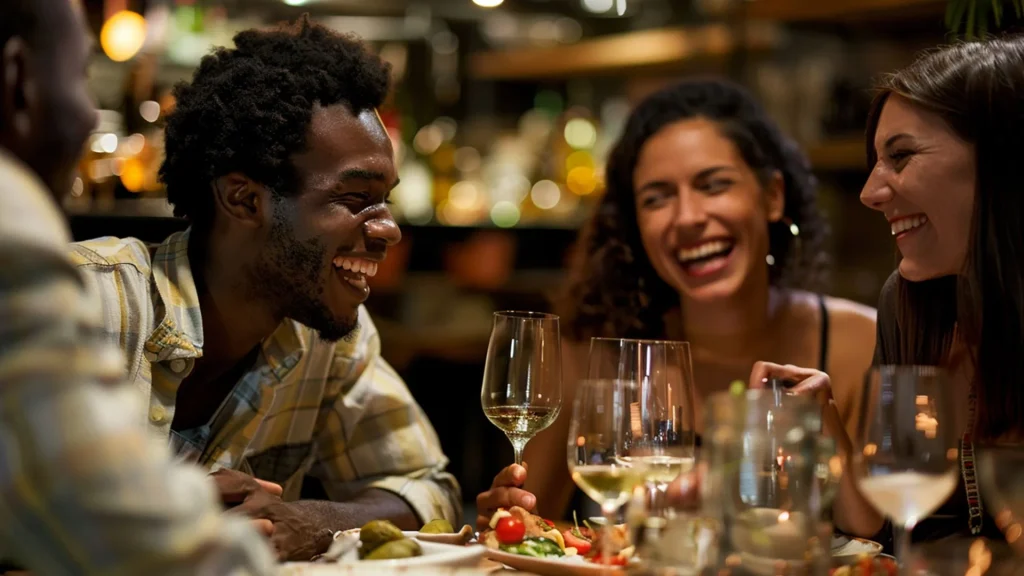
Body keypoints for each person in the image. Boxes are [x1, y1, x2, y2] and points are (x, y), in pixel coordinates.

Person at [69, 16, 461, 561]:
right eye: (354, 200)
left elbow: (430, 490)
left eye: (386, 201)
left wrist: (313, 520)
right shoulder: (84, 305)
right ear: (244, 200)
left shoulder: (330, 332)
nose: (389, 229)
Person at [477, 78, 882, 538]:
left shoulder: (862, 343)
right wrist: (509, 520)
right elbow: (535, 530)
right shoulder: (593, 352)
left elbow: (878, 534)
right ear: (635, 226)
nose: (688, 217)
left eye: (714, 185)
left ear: (773, 196)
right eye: (657, 197)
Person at [0, 0, 275, 573]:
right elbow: (118, 530)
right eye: (79, 77)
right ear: (18, 80)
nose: (86, 118)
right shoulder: (12, 224)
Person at [767, 34, 1024, 544]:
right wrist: (823, 420)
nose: (870, 192)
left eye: (901, 157)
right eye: (874, 162)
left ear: (1002, 159)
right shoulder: (912, 304)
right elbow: (883, 525)